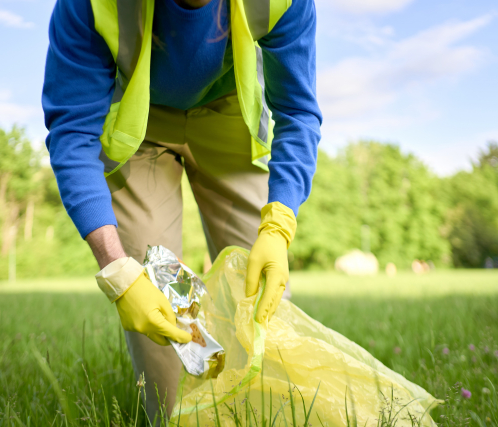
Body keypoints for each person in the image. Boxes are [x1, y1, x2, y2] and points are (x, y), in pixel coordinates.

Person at [42, 0, 321, 419]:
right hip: (141, 123)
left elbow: (297, 111)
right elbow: (73, 130)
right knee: (156, 316)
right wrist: (119, 271)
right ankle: (169, 416)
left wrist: (279, 224)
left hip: (227, 116)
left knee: (265, 304)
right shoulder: (90, 5)